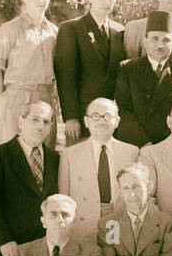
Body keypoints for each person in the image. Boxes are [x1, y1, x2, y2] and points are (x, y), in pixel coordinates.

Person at [0, 100, 60, 256]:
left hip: (44, 249)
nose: (40, 127)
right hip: (10, 249)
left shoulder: (55, 159)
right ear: (21, 122)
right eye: (35, 120)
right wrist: (4, 240)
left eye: (46, 122)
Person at [0, 0, 60, 146]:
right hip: (17, 99)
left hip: (45, 99)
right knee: (14, 152)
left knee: (45, 152)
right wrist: (3, 99)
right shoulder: (10, 29)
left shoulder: (54, 32)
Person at [54, 0, 124, 142]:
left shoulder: (120, 31)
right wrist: (71, 117)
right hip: (82, 117)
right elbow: (65, 77)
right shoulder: (71, 29)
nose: (106, 1)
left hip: (110, 119)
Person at [57, 98, 138, 242]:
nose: (101, 121)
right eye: (95, 116)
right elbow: (64, 199)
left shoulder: (132, 152)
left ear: (117, 121)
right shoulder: (69, 155)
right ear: (86, 122)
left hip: (120, 224)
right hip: (83, 228)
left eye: (107, 116)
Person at [113, 10, 172, 148]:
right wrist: (145, 144)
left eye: (166, 40)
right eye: (154, 39)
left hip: (171, 146)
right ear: (145, 42)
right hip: (135, 144)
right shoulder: (127, 68)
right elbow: (123, 110)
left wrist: (167, 145)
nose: (160, 45)